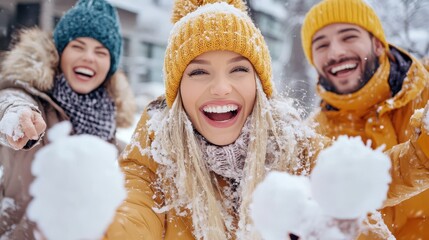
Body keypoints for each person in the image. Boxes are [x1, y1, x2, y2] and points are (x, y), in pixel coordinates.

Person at [102, 0, 429, 239]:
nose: (220, 88)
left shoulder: (295, 147)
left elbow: (363, 182)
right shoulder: (152, 161)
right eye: (199, 72)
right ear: (176, 91)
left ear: (259, 87)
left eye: (239, 69)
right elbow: (129, 218)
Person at [0, 0, 135, 238]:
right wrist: (16, 117)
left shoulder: (109, 129)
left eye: (101, 52)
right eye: (78, 46)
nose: (89, 57)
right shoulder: (32, 101)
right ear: (60, 53)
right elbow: (9, 100)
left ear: (110, 65)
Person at [301, 0, 429, 239]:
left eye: (348, 37)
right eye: (321, 45)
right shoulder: (313, 135)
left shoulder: (426, 93)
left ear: (378, 44)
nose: (336, 52)